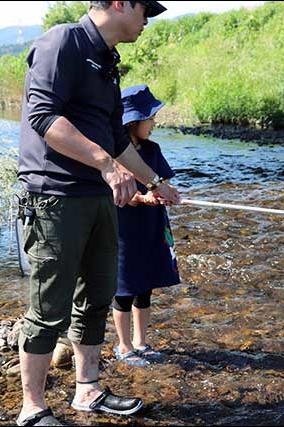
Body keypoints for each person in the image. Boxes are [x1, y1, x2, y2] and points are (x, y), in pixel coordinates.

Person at [16, 1, 174, 426]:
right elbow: (43, 117)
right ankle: (32, 409)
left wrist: (154, 182)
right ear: (120, 3)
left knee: (97, 298)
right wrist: (107, 166)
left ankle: (87, 390)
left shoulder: (108, 61)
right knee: (49, 309)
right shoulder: (62, 41)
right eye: (146, 9)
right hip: (55, 198)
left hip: (101, 199)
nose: (148, 19)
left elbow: (116, 139)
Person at [111, 84, 180, 367]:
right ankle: (124, 345)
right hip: (124, 231)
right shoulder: (113, 153)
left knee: (146, 287)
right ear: (133, 121)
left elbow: (163, 181)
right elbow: (112, 193)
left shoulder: (153, 149)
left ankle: (141, 342)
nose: (154, 123)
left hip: (151, 228)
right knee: (124, 289)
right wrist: (140, 198)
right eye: (150, 118)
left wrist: (168, 194)